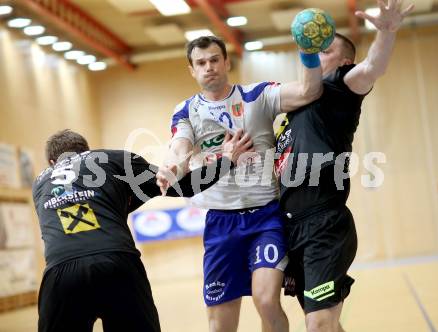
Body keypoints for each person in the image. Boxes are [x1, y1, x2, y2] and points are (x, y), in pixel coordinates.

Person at [160, 35, 322, 332]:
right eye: (201, 63)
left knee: (266, 300)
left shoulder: (257, 96)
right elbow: (180, 146)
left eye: (213, 60)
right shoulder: (186, 110)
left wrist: (308, 53)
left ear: (226, 62)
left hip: (265, 217)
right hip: (221, 222)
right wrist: (173, 165)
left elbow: (309, 90)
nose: (208, 67)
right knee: (220, 324)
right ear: (192, 70)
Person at [275, 1, 414, 331]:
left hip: (324, 225)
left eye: (325, 50)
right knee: (325, 323)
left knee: (319, 325)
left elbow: (372, 68)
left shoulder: (340, 87)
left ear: (344, 62)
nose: (317, 53)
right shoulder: (293, 108)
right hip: (291, 229)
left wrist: (386, 31)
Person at [32, 128, 252, 332]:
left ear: (52, 162)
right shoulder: (110, 158)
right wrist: (227, 161)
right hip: (116, 262)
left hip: (60, 272)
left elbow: (95, 208)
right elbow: (179, 186)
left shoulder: (39, 184)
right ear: (87, 151)